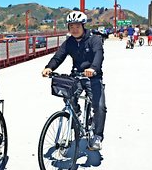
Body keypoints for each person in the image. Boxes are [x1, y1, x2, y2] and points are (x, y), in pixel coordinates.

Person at [41, 11, 107, 150]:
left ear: (83, 26)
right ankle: (75, 113)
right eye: (71, 26)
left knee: (99, 107)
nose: (74, 29)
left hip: (93, 76)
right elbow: (58, 57)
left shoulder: (94, 39)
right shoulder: (69, 42)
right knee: (67, 95)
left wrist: (93, 68)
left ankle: (97, 136)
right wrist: (49, 67)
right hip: (76, 75)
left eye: (77, 26)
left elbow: (98, 55)